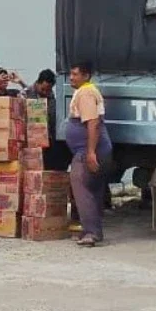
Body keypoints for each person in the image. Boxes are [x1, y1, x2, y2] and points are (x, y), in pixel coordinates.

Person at [66, 60, 112, 247]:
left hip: (88, 150)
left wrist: (91, 152)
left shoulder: (85, 93)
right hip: (91, 148)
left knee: (80, 187)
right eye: (71, 73)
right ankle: (91, 230)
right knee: (93, 189)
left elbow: (92, 123)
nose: (71, 77)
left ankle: (91, 232)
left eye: (75, 74)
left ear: (85, 76)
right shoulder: (87, 91)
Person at [30, 69, 71, 171]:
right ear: (38, 83)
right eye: (43, 89)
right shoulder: (27, 95)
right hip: (32, 141)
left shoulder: (51, 97)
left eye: (48, 90)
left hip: (49, 139)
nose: (45, 92)